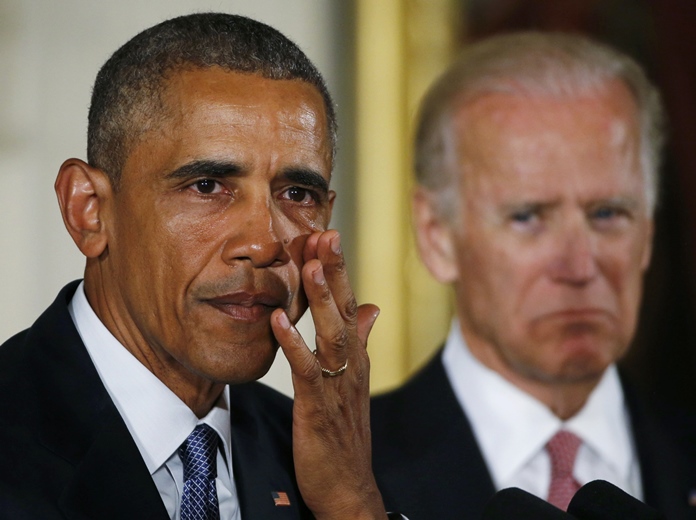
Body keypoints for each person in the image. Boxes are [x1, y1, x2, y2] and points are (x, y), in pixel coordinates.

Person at [0, 12, 396, 520]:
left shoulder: (343, 466)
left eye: (298, 194)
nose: (264, 244)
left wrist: (351, 505)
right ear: (89, 210)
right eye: (207, 186)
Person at [371, 31, 696, 520]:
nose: (580, 267)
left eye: (607, 213)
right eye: (528, 217)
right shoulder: (343, 472)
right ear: (437, 236)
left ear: (648, 233)